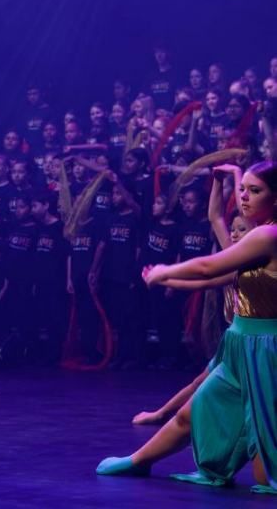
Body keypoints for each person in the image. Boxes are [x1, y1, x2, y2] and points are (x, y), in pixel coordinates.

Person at [99, 161, 277, 494]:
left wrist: (164, 271)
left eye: (256, 191)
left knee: (266, 472)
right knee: (194, 408)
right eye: (245, 191)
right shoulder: (258, 234)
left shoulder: (268, 235)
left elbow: (209, 264)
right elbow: (213, 274)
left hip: (265, 350)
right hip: (240, 343)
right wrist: (232, 178)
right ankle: (139, 460)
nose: (245, 199)